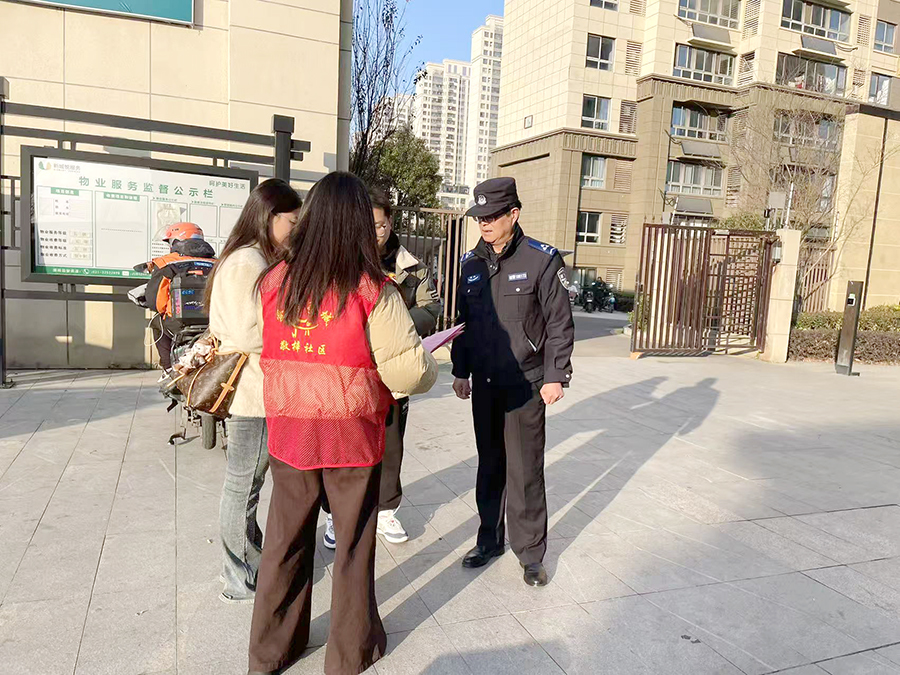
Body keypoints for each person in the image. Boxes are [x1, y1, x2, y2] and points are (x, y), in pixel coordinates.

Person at [248, 172, 437, 675]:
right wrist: (429, 362)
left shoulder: (272, 281)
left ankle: (271, 652)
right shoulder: (372, 289)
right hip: (350, 432)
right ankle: (349, 653)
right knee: (352, 544)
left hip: (289, 426)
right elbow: (409, 373)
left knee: (284, 540)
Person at [450, 177, 575, 588]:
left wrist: (555, 375)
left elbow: (559, 324)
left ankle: (531, 554)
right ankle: (489, 540)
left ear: (513, 214)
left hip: (526, 384)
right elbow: (464, 324)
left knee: (525, 470)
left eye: (492, 216)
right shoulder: (470, 264)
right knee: (489, 466)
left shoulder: (542, 260)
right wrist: (460, 370)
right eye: (479, 217)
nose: (484, 223)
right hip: (485, 384)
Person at [321, 187, 443, 549]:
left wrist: (394, 325)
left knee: (390, 444)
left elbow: (431, 308)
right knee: (342, 443)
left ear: (390, 223)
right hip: (349, 371)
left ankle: (386, 510)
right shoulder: (340, 263)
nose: (375, 233)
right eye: (367, 225)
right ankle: (334, 513)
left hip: (393, 369)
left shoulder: (411, 267)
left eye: (379, 225)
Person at [206, 178, 302, 604]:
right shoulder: (248, 261)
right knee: (243, 487)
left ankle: (250, 561)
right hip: (254, 392)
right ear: (269, 216)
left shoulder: (248, 256)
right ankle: (240, 575)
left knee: (245, 485)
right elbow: (250, 332)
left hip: (256, 388)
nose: (294, 231)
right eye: (291, 222)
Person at [134, 222, 216, 373]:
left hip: (177, 324)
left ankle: (168, 369)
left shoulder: (166, 262)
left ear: (176, 241)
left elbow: (155, 302)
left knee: (157, 323)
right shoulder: (218, 263)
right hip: (213, 323)